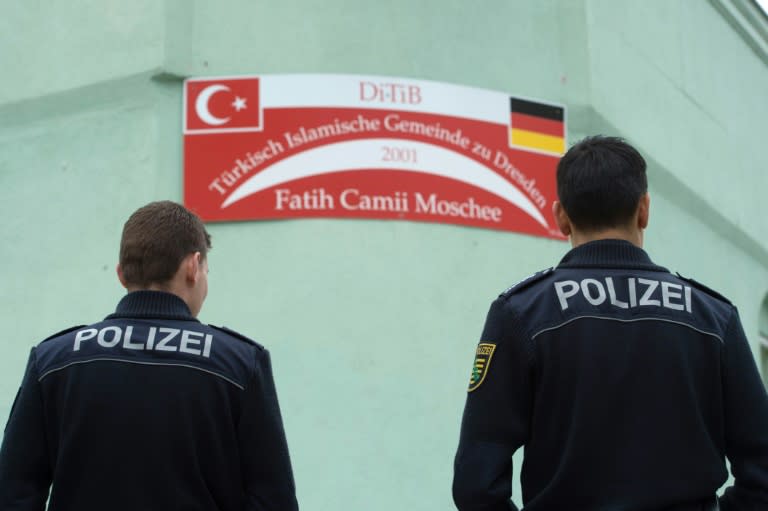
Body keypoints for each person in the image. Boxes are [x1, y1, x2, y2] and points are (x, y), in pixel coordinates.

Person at [452, 136, 768, 510]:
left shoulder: (522, 314)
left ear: (561, 217)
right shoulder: (713, 318)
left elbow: (476, 483)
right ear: (644, 209)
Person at [0, 201, 298, 511]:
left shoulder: (53, 361)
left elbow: (13, 493)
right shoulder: (239, 365)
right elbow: (273, 500)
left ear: (121, 274)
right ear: (193, 267)